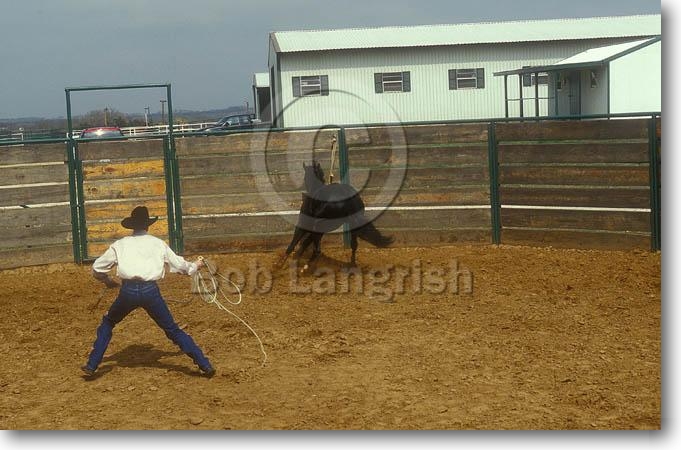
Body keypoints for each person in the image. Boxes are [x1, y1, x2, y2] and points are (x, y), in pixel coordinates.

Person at [82, 206, 215, 378]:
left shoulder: (120, 245)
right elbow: (182, 267)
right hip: (150, 291)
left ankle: (92, 365)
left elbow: (97, 268)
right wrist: (196, 265)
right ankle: (204, 364)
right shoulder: (158, 244)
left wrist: (107, 281)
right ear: (148, 226)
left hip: (128, 291)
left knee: (108, 322)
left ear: (132, 226)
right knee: (172, 330)